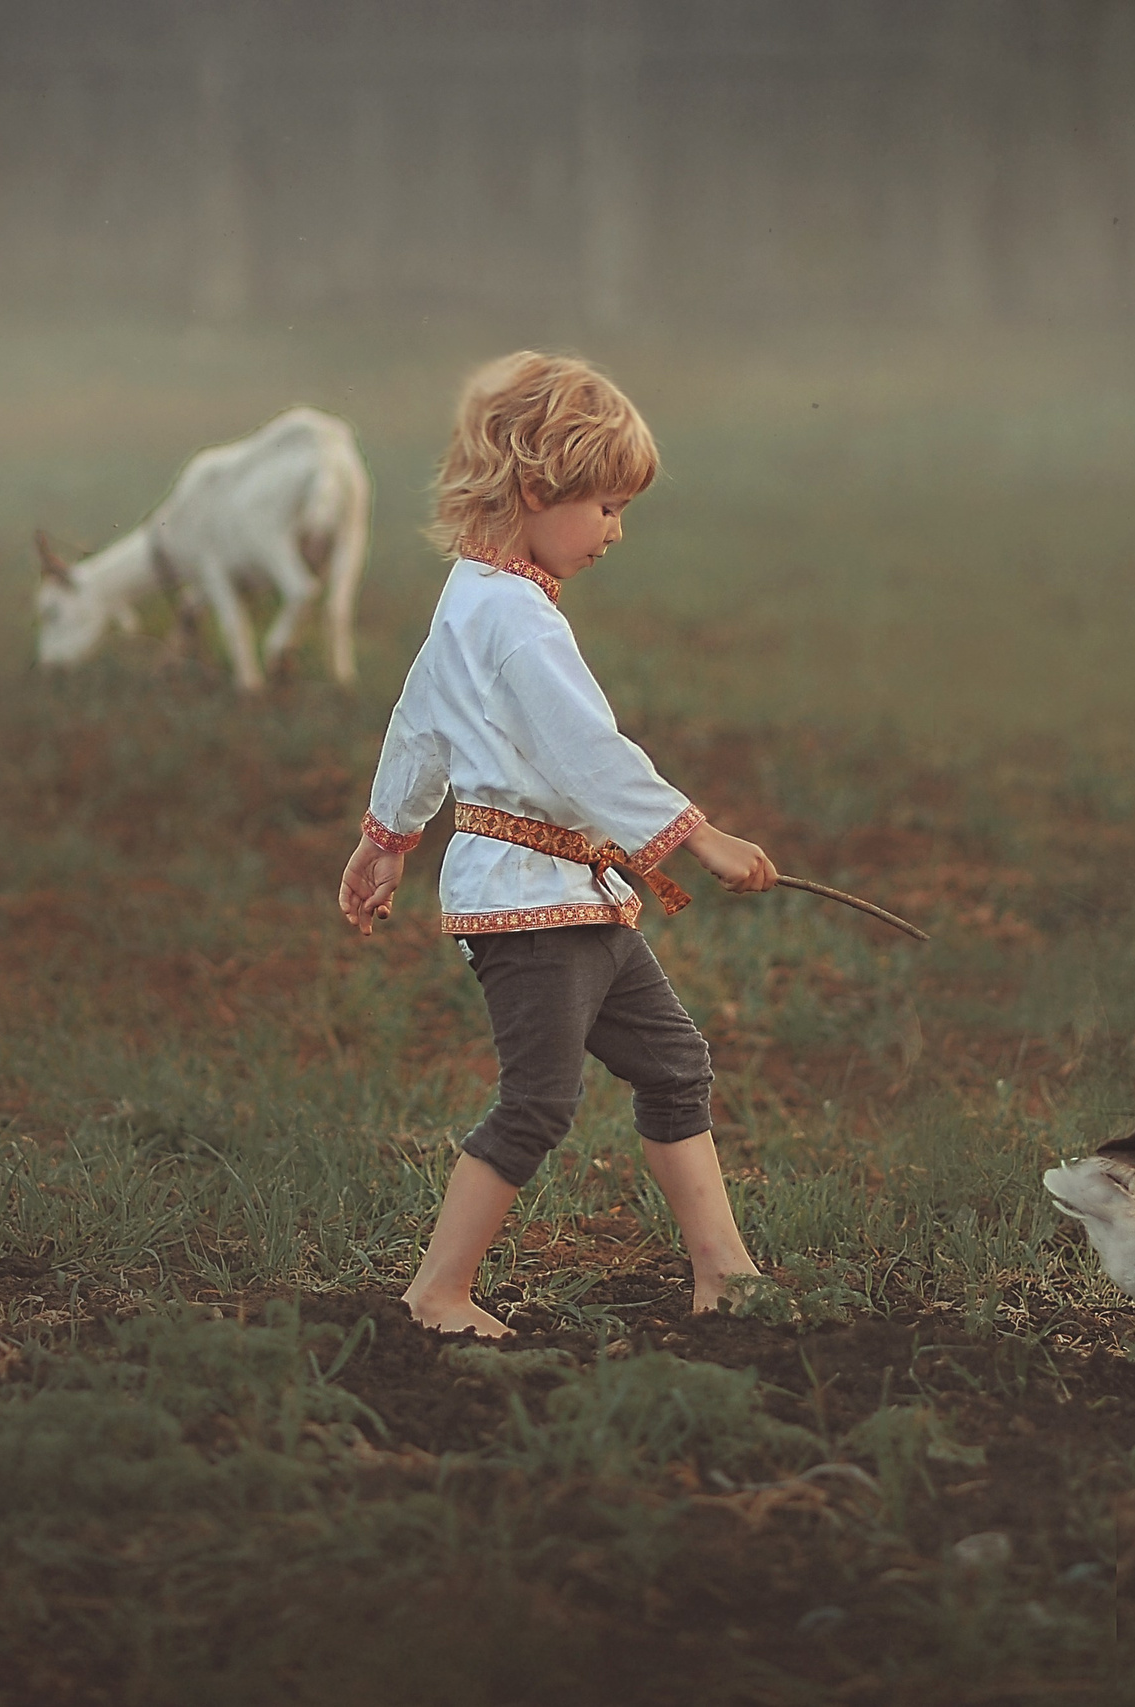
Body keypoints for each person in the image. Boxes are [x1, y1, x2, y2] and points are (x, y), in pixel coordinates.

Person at [337, 351, 778, 1338]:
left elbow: (416, 725)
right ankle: (435, 1295)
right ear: (537, 488)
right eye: (607, 507)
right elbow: (586, 753)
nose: (616, 533)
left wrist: (388, 839)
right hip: (530, 909)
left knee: (674, 1067)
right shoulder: (514, 622)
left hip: (576, 898)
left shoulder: (475, 597)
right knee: (538, 1100)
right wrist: (695, 835)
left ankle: (726, 1274)